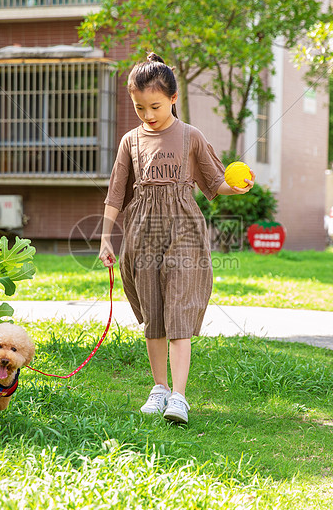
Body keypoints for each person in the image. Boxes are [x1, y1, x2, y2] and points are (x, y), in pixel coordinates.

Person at [99, 52, 254, 425]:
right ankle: (159, 388)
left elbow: (214, 183)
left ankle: (179, 397)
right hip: (142, 231)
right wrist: (107, 238)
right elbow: (116, 192)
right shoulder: (130, 141)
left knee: (180, 310)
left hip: (184, 228)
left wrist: (239, 188)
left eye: (154, 106)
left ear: (172, 98)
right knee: (154, 313)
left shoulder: (190, 137)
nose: (148, 115)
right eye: (139, 108)